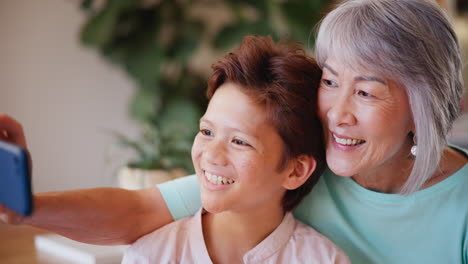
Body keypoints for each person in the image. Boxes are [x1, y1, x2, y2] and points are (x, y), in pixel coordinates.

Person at [0, 0, 467, 263]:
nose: (336, 113)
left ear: (421, 107)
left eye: (366, 92)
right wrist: (26, 208)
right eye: (330, 81)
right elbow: (139, 210)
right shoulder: (309, 162)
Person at [122, 36, 350, 263]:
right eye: (207, 132)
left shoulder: (324, 260)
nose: (211, 154)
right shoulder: (150, 255)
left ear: (296, 171)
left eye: (239, 142)